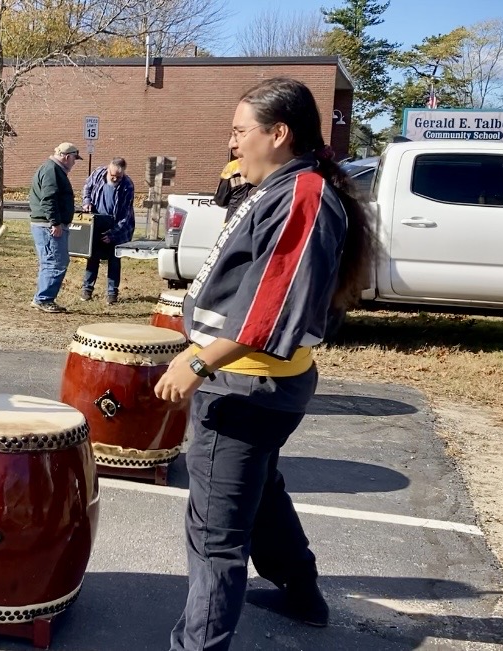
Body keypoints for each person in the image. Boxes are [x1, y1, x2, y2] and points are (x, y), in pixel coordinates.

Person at [154, 77, 375, 651]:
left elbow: (270, 308)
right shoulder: (281, 188)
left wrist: (199, 363)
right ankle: (303, 594)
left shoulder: (302, 194)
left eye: (239, 131)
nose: (232, 144)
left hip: (246, 387)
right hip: (252, 384)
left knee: (215, 538)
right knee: (262, 491)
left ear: (279, 134)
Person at [28, 142, 81, 313]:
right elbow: (49, 199)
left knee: (51, 262)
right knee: (55, 262)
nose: (74, 162)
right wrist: (55, 223)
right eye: (74, 159)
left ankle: (43, 298)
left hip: (47, 224)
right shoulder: (52, 170)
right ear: (67, 157)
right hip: (48, 225)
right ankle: (43, 299)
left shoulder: (52, 169)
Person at [80, 157, 135, 305]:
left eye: (119, 176)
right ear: (108, 169)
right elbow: (87, 187)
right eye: (113, 176)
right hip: (96, 220)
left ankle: (112, 293)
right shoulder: (98, 173)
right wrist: (86, 202)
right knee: (93, 256)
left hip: (116, 224)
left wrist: (113, 234)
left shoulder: (127, 185)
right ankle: (87, 289)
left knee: (114, 260)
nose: (115, 178)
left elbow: (125, 215)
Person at [214, 157, 253, 224]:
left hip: (233, 222)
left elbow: (220, 200)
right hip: (257, 223)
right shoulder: (267, 165)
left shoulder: (233, 166)